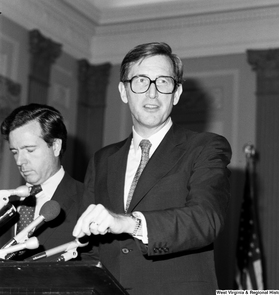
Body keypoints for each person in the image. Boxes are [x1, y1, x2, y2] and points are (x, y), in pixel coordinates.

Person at [73, 42, 232, 295]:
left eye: (163, 82)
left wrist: (130, 223)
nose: (152, 93)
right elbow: (89, 248)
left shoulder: (205, 147)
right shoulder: (102, 159)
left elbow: (205, 219)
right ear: (124, 91)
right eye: (141, 81)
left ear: (176, 93)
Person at [0, 103, 84, 261]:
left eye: (30, 150)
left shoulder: (87, 199)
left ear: (56, 146)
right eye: (14, 152)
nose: (19, 161)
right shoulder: (6, 203)